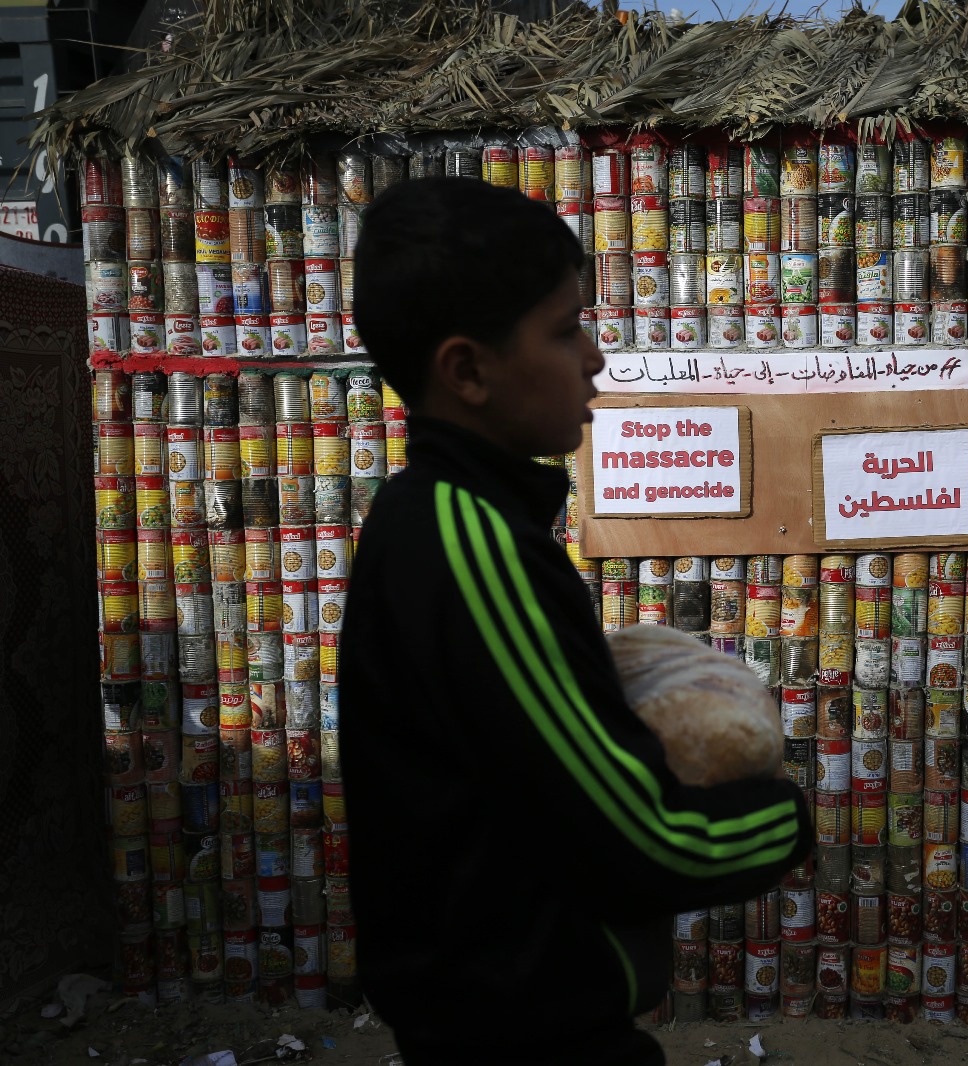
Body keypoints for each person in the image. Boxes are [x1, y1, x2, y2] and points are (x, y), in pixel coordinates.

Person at [341, 178, 811, 1065]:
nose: (594, 358)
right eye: (565, 331)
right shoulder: (470, 540)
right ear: (468, 371)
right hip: (522, 1037)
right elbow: (633, 835)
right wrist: (787, 820)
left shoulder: (443, 518)